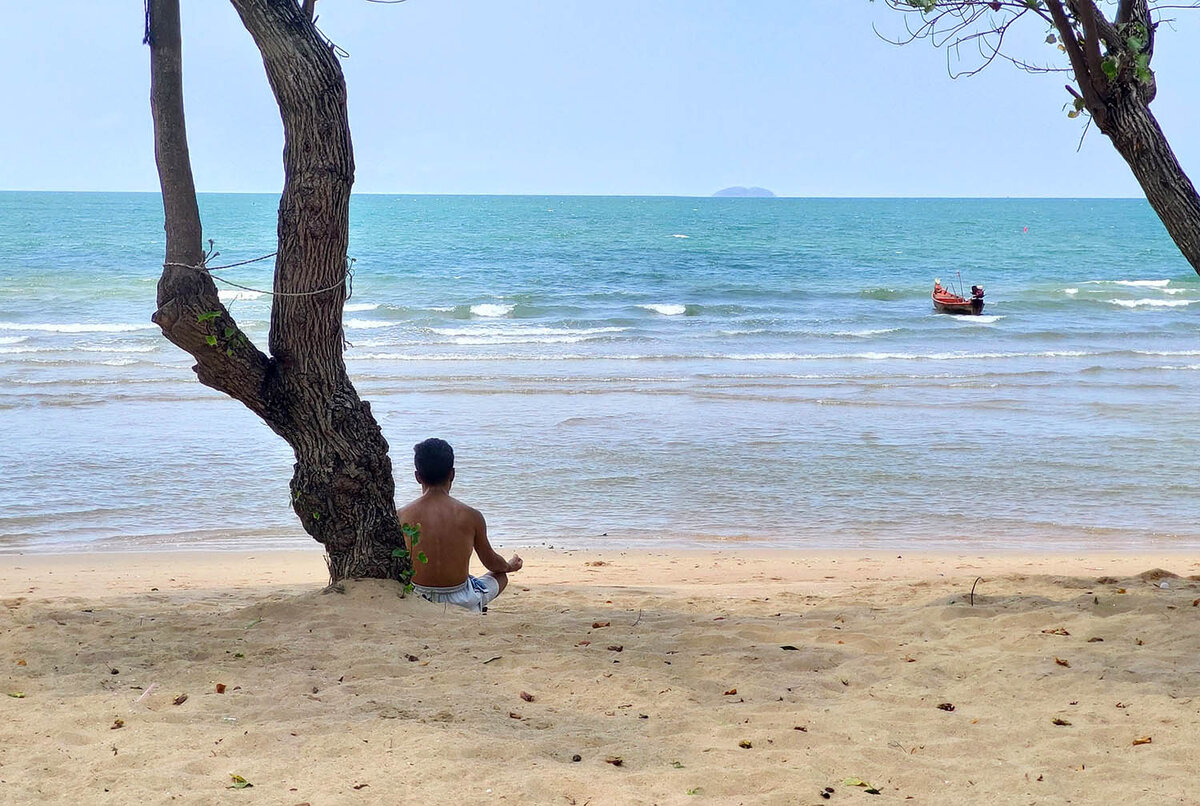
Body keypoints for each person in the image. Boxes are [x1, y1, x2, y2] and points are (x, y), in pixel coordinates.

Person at [397, 438, 522, 613]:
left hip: (419, 596)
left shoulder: (401, 515)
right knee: (500, 577)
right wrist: (509, 567)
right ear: (452, 474)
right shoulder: (471, 515)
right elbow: (492, 562)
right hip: (462, 600)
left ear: (417, 476)